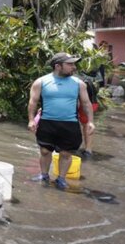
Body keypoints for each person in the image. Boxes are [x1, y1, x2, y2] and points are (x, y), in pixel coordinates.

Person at [27, 52, 95, 190]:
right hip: (47, 122)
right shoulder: (41, 82)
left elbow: (86, 103)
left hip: (70, 123)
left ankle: (61, 179)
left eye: (73, 64)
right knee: (45, 151)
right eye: (69, 64)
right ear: (58, 66)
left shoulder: (79, 84)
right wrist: (31, 120)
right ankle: (44, 175)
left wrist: (90, 122)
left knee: (66, 153)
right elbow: (33, 102)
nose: (73, 67)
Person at [76, 73, 100, 160]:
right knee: (85, 125)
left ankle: (87, 149)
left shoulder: (78, 82)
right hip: (92, 103)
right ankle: (88, 150)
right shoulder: (82, 79)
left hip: (87, 104)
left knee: (85, 125)